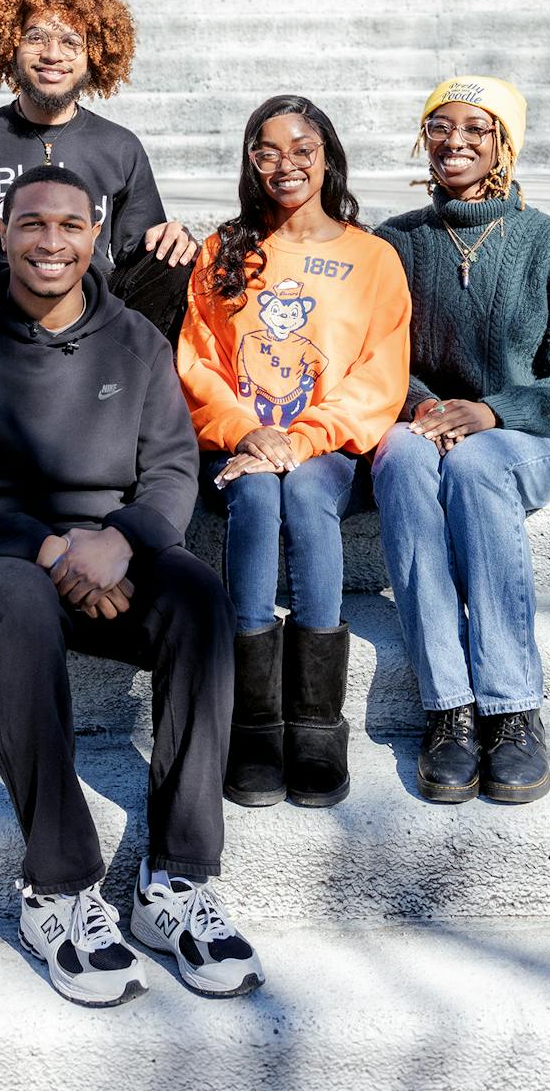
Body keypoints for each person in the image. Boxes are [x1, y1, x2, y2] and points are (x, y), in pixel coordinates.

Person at [0, 164, 263, 1008]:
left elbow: (171, 473)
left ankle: (175, 882)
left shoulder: (133, 338)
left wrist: (121, 544)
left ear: (96, 234)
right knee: (24, 606)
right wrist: (58, 548)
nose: (50, 242)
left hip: (112, 554)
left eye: (69, 225)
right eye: (32, 224)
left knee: (199, 597)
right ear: (4, 229)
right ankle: (56, 891)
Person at [372, 76, 550, 805]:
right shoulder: (398, 242)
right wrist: (423, 408)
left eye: (476, 129)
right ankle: (448, 711)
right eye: (440, 127)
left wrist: (495, 412)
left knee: (478, 466)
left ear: (504, 144)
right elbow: (376, 355)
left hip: (527, 433)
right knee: (400, 461)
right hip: (423, 421)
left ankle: (512, 710)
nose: (455, 142)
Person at [178, 96, 410, 811]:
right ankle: (252, 717)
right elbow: (197, 361)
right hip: (242, 443)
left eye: (303, 148)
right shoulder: (225, 252)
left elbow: (380, 374)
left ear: (328, 156)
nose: (286, 164)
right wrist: (247, 432)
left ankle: (315, 718)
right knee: (253, 494)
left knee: (305, 492)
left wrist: (302, 439)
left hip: (329, 447)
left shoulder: (372, 257)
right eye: (266, 150)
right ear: (250, 162)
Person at [0, 0, 197, 336]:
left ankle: (127, 376)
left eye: (71, 42)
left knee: (177, 259)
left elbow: (138, 251)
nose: (52, 54)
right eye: (36, 37)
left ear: (95, 54)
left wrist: (172, 238)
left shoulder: (120, 146)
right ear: (10, 45)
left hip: (94, 316)